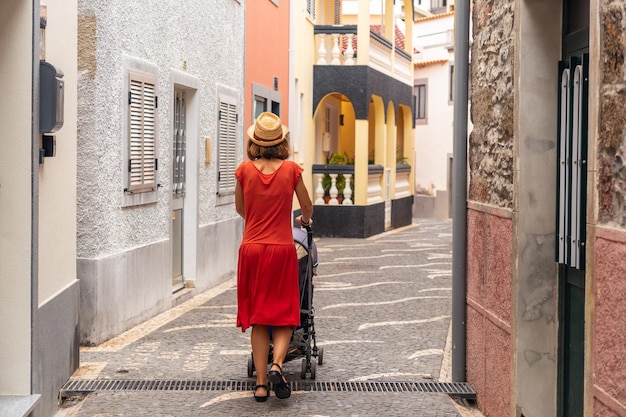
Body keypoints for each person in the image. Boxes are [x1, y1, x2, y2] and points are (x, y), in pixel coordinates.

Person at [234, 112, 314, 402]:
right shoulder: (292, 170)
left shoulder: (244, 171)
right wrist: (304, 221)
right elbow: (307, 206)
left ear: (255, 140)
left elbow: (240, 209)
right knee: (282, 315)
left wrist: (257, 219)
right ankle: (278, 365)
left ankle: (261, 384)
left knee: (258, 318)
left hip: (252, 249)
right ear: (281, 141)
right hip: (282, 249)